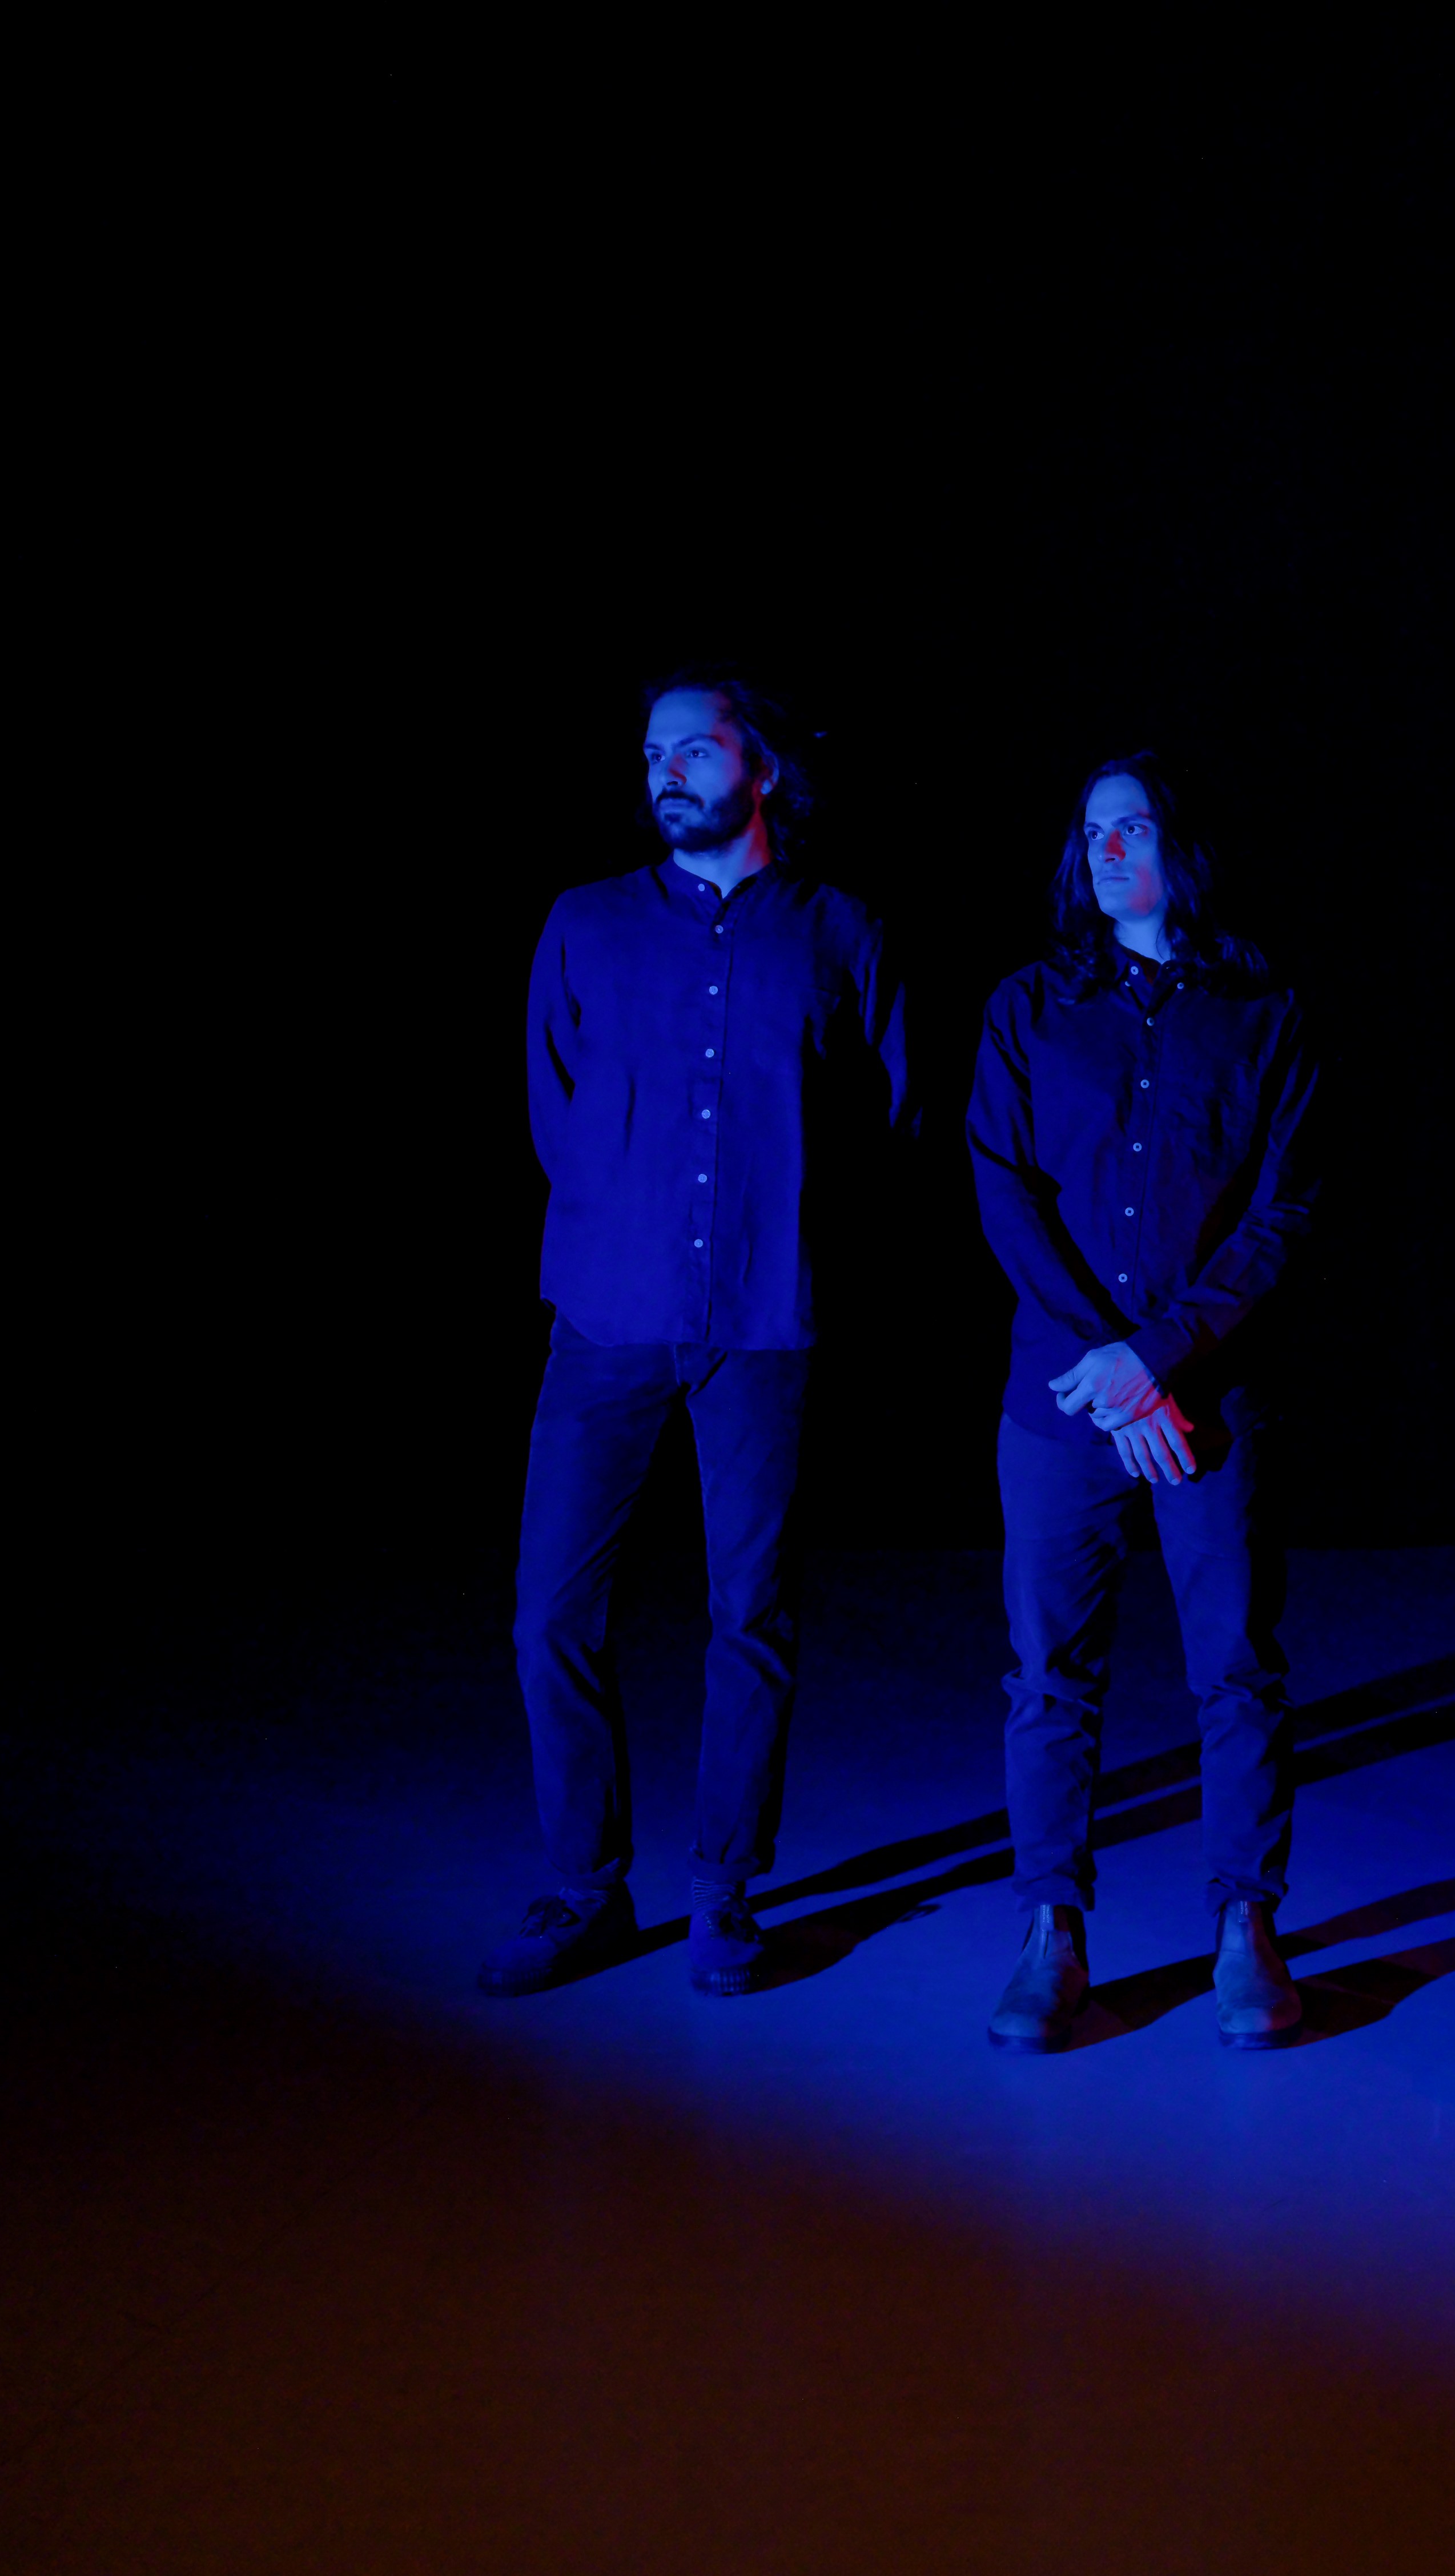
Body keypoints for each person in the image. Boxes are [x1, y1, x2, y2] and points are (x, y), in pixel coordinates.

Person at [481, 671, 910, 1999]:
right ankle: (584, 1887)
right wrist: (621, 1217)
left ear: (762, 768)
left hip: (764, 1321)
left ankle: (726, 1889)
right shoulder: (586, 922)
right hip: (606, 1314)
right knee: (551, 1611)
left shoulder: (841, 930)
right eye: (651, 751)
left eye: (694, 748)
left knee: (752, 1613)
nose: (664, 769)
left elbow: (888, 1116)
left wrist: (790, 1230)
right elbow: (553, 1106)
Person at [968, 755, 1322, 2051]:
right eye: (1092, 831)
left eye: (1134, 827)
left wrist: (1160, 1358)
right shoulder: (1029, 1007)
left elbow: (1284, 1213)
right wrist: (1111, 1372)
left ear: (1185, 844)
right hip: (1063, 1399)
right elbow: (1005, 1192)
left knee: (1235, 1667)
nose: (1108, 849)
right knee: (1049, 1675)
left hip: (1207, 1398)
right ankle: (1050, 1933)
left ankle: (1246, 1927)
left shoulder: (1263, 1012)